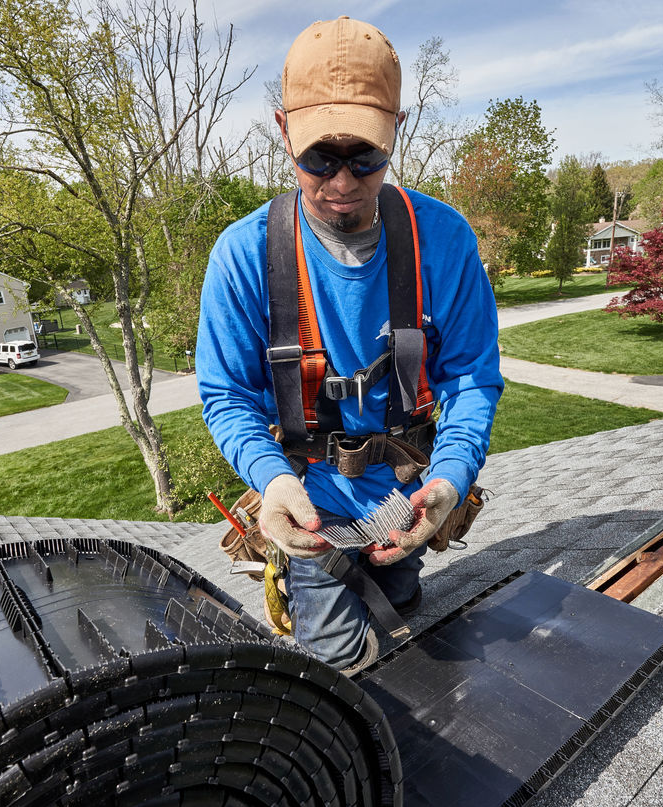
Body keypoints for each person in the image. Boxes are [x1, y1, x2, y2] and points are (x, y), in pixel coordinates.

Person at [196, 16, 502, 673]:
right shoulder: (244, 256)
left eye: (364, 156)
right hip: (310, 509)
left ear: (397, 129)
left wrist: (449, 480)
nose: (341, 182)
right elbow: (226, 395)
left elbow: (472, 377)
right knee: (339, 661)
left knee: (403, 607)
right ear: (284, 132)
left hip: (406, 497)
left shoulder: (442, 242)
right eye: (318, 157)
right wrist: (271, 479)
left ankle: (400, 586)